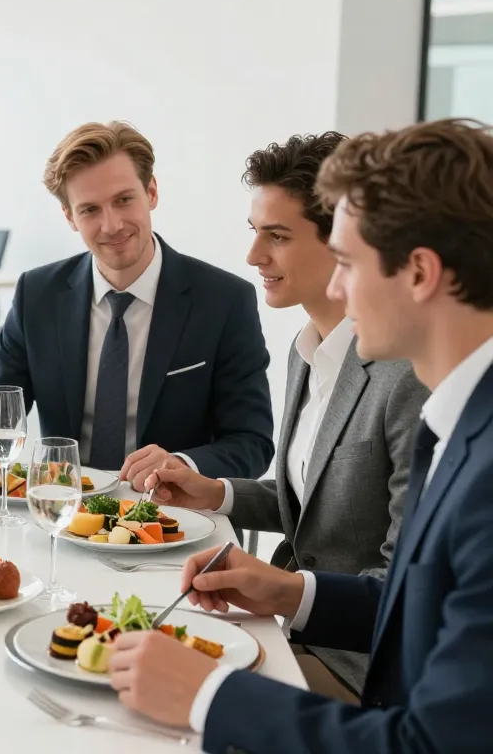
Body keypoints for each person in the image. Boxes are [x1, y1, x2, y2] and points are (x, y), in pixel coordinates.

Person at [107, 118, 493, 753]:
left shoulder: (456, 435)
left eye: (348, 261)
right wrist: (286, 587)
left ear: (420, 272)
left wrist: (207, 696)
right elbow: (408, 601)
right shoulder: (453, 419)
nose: (339, 287)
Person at [150, 132, 429, 699]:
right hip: (293, 632)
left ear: (344, 242)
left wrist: (283, 589)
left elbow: (405, 587)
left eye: (277, 236)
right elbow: (315, 502)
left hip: (360, 663)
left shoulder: (407, 380)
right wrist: (217, 493)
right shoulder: (308, 351)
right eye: (255, 233)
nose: (254, 256)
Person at [0, 121, 274, 486]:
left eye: (124, 200)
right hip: (64, 510)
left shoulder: (224, 300)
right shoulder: (37, 295)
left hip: (174, 517)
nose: (112, 225)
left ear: (151, 192)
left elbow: (253, 443)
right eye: (89, 210)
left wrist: (182, 464)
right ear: (70, 217)